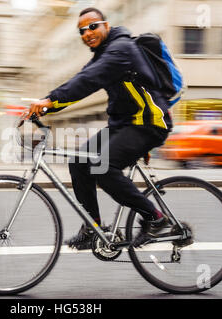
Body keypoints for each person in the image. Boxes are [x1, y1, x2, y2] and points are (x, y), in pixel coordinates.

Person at [27, 7, 173, 249]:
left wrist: (48, 101)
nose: (87, 33)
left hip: (149, 124)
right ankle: (92, 228)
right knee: (79, 161)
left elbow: (88, 80)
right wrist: (45, 107)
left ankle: (156, 218)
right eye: (82, 31)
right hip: (125, 125)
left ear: (106, 25)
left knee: (102, 167)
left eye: (92, 26)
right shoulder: (103, 54)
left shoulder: (121, 49)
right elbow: (79, 83)